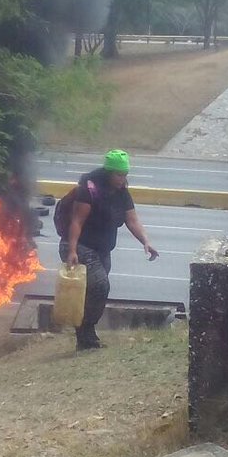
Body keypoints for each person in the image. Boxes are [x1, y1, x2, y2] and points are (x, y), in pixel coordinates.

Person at [63, 150, 159, 350]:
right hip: (82, 246)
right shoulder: (90, 190)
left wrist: (145, 242)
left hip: (102, 250)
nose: (122, 179)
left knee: (95, 293)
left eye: (125, 174)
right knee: (100, 286)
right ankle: (85, 332)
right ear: (108, 173)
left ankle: (86, 336)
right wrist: (72, 250)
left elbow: (131, 220)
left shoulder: (122, 192)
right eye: (118, 174)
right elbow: (76, 222)